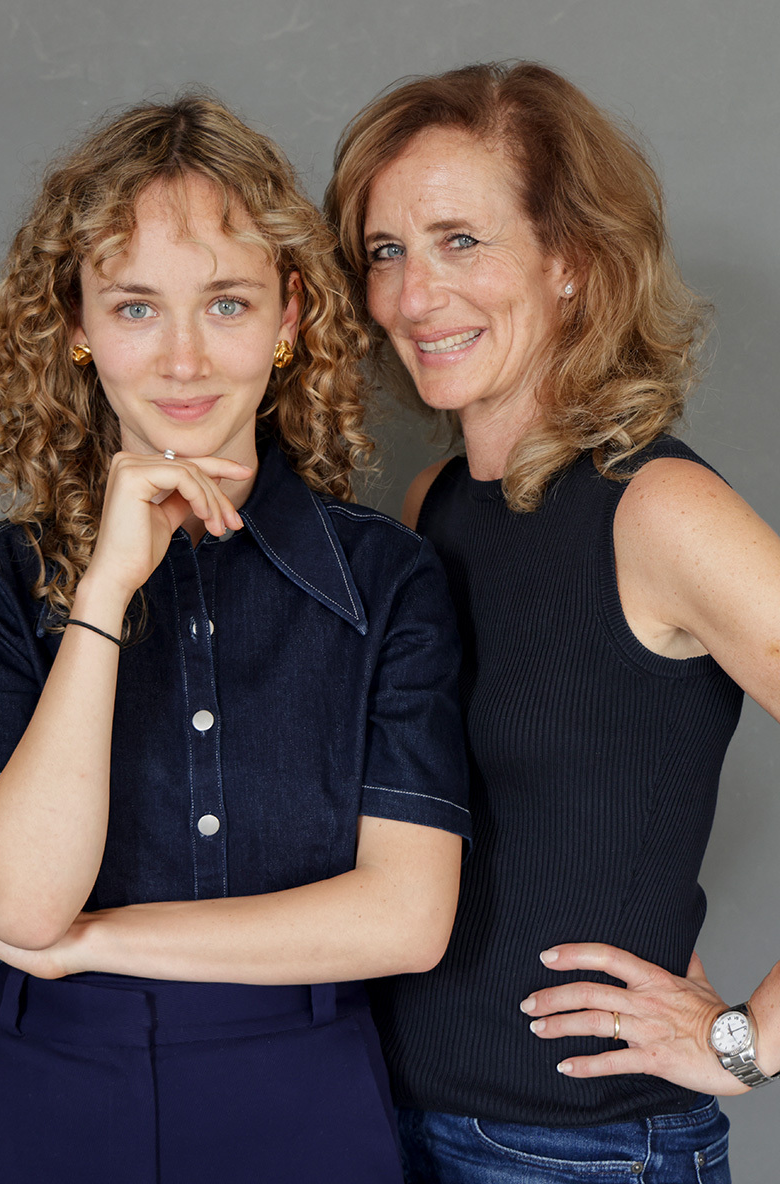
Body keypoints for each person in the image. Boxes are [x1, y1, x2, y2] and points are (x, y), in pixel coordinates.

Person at [0, 93, 470, 1184]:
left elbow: (407, 919)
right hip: (37, 1095)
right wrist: (104, 592)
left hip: (307, 1094)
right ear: (76, 324)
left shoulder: (386, 579)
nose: (182, 360)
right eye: (135, 307)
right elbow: (24, 901)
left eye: (226, 303)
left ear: (289, 317)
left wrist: (87, 942)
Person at [325, 61, 780, 1183]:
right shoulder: (435, 503)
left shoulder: (657, 508)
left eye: (459, 241)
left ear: (570, 259)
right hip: (386, 1114)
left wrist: (748, 1041)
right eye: (387, 251)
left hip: (576, 1150)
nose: (414, 295)